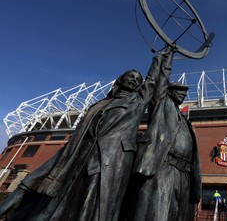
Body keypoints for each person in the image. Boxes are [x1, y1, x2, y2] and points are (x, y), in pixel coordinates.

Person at [0, 49, 173, 221]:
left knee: (93, 203)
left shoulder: (137, 101)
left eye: (137, 80)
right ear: (120, 80)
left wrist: (163, 59)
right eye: (131, 76)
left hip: (110, 158)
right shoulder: (100, 104)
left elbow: (153, 81)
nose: (134, 80)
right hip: (79, 153)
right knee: (59, 198)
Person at [130, 77, 202, 220]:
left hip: (184, 175)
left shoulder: (184, 120)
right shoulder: (161, 106)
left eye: (185, 92)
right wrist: (168, 55)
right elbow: (160, 83)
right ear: (168, 92)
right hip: (165, 168)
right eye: (179, 90)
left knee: (179, 215)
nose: (184, 93)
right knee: (158, 213)